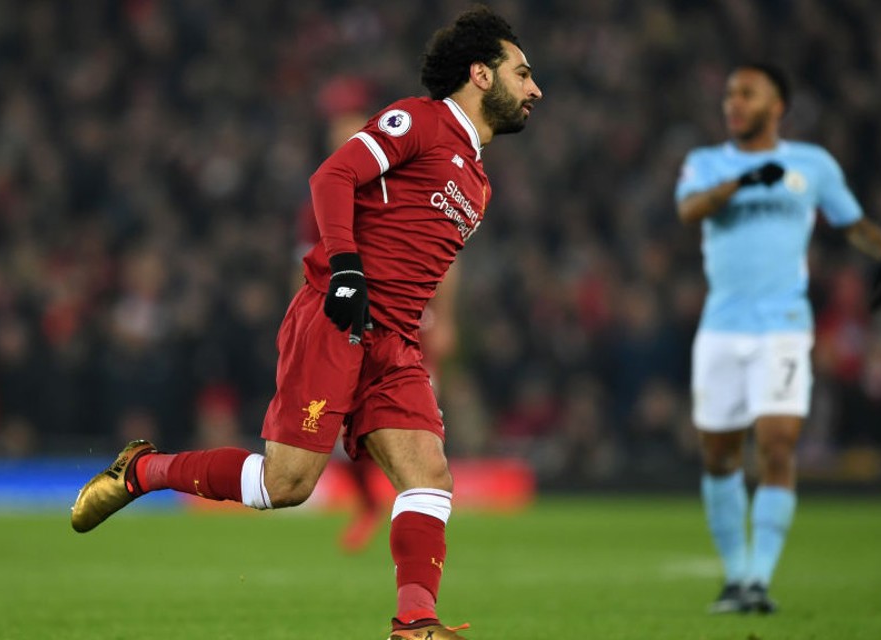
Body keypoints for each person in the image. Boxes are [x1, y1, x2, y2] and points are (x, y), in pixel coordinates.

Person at [71, 7, 542, 640]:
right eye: (523, 72)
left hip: (396, 345)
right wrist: (345, 267)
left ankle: (415, 624)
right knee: (283, 486)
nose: (535, 89)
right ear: (481, 76)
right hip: (337, 321)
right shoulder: (422, 121)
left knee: (430, 477)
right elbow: (334, 174)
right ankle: (142, 471)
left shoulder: (479, 183)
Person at [674, 63, 881, 614]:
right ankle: (733, 578)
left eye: (748, 93)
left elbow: (850, 221)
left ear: (779, 105)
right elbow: (689, 210)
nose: (735, 102)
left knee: (777, 444)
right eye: (730, 93)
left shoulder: (812, 164)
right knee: (720, 456)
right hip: (722, 328)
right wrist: (744, 182)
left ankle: (756, 580)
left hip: (783, 327)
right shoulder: (706, 163)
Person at [296, 74, 463, 554]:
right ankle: (382, 503)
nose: (343, 138)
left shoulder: (401, 175)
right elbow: (306, 259)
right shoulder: (323, 197)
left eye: (351, 127)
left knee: (419, 417)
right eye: (336, 130)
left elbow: (445, 258)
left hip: (411, 321)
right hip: (348, 320)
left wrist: (446, 319)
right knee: (341, 422)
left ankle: (416, 503)